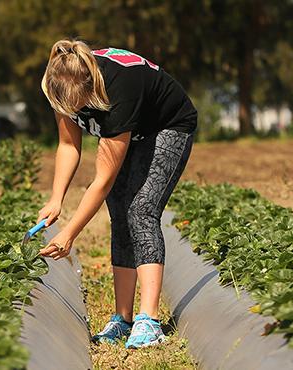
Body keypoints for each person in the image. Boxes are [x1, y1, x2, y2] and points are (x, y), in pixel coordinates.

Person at [37, 40, 196, 349]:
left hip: (167, 126)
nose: (76, 114)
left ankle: (148, 320)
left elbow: (102, 181)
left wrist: (69, 233)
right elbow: (69, 145)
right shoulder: (60, 81)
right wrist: (56, 199)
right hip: (129, 130)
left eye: (80, 107)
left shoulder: (118, 88)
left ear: (91, 89)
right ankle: (122, 320)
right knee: (119, 214)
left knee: (141, 211)